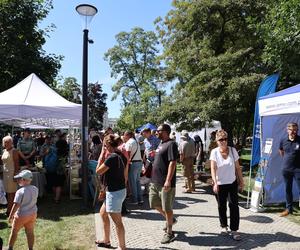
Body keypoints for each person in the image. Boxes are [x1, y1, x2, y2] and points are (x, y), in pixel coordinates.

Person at [210, 129, 244, 241]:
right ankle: (224, 226)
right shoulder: (214, 152)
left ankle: (234, 229)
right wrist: (215, 183)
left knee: (234, 206)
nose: (223, 141)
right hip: (220, 184)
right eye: (221, 140)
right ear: (217, 141)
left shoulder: (233, 150)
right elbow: (213, 169)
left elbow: (238, 168)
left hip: (232, 183)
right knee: (221, 206)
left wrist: (241, 181)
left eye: (225, 139)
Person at [95, 134, 127, 250]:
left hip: (115, 192)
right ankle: (106, 240)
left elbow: (98, 171)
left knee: (117, 222)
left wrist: (102, 155)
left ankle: (122, 247)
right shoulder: (120, 155)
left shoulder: (112, 157)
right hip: (116, 190)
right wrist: (104, 190)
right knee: (103, 213)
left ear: (108, 145)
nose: (104, 147)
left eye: (105, 145)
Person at [149, 124, 178, 244]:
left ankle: (170, 233)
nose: (156, 133)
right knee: (153, 203)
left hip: (165, 183)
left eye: (158, 131)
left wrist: (168, 180)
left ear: (165, 132)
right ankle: (171, 219)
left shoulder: (172, 144)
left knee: (167, 208)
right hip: (155, 180)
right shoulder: (161, 144)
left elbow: (173, 163)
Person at [8, 170, 38, 250]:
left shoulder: (20, 191)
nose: (18, 180)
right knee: (30, 232)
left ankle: (10, 248)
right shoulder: (35, 188)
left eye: (19, 179)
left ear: (24, 180)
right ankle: (30, 248)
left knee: (14, 232)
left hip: (21, 215)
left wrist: (10, 216)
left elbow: (16, 205)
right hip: (32, 214)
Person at [279, 122, 300, 216]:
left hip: (298, 169)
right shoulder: (283, 140)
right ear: (287, 130)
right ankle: (289, 209)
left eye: (296, 130)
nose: (294, 131)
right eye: (292, 130)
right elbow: (281, 151)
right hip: (286, 169)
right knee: (288, 189)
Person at [124, 131, 143, 205]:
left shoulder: (129, 142)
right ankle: (140, 199)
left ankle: (135, 200)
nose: (124, 136)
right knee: (138, 182)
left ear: (127, 135)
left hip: (133, 163)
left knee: (133, 183)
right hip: (139, 162)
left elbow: (127, 155)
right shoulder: (136, 141)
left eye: (124, 135)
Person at [1, 136, 19, 216]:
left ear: (11, 142)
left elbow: (17, 164)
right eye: (5, 142)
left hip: (12, 174)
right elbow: (3, 162)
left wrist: (15, 175)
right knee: (8, 193)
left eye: (8, 142)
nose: (6, 143)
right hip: (5, 174)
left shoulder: (14, 151)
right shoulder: (4, 150)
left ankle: (10, 211)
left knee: (12, 193)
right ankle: (11, 209)